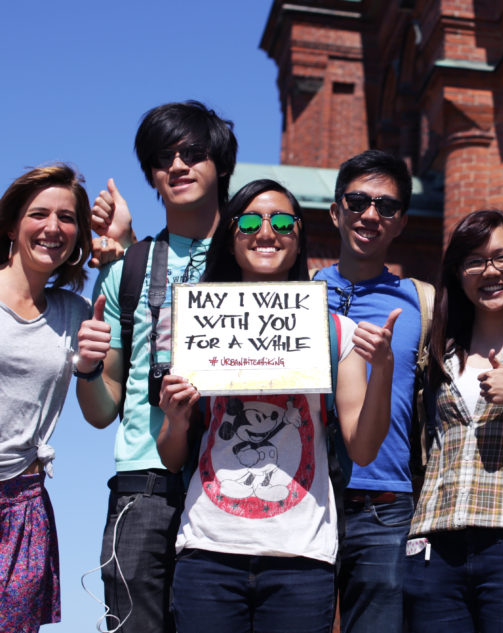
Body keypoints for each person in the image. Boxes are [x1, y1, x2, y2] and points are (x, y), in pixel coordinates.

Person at [153, 179, 396, 633]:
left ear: (299, 235)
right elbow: (171, 456)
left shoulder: (336, 332)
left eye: (283, 220)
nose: (267, 231)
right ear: (231, 234)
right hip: (208, 552)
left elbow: (362, 450)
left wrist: (381, 370)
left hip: (302, 559)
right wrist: (175, 417)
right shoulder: (198, 326)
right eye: (249, 220)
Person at [75, 100, 238, 632]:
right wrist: (87, 368)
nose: (178, 165)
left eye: (193, 152)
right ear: (151, 175)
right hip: (142, 485)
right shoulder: (127, 269)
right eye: (163, 157)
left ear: (220, 164)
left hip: (235, 476)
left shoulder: (252, 261)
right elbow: (104, 411)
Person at [403, 209, 503, 632]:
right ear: (458, 273)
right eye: (474, 261)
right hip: (434, 543)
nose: (489, 271)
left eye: (501, 258)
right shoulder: (438, 351)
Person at [312, 149, 431, 632]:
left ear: (401, 222)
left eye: (386, 206)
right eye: (358, 201)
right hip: (307, 502)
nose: (370, 215)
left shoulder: (424, 302)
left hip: (387, 506)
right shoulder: (299, 296)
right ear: (336, 211)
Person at [0, 164, 92, 632]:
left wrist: (118, 253)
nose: (53, 227)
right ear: (13, 223)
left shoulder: (73, 312)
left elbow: (100, 406)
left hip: (23, 504)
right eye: (39, 214)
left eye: (68, 217)